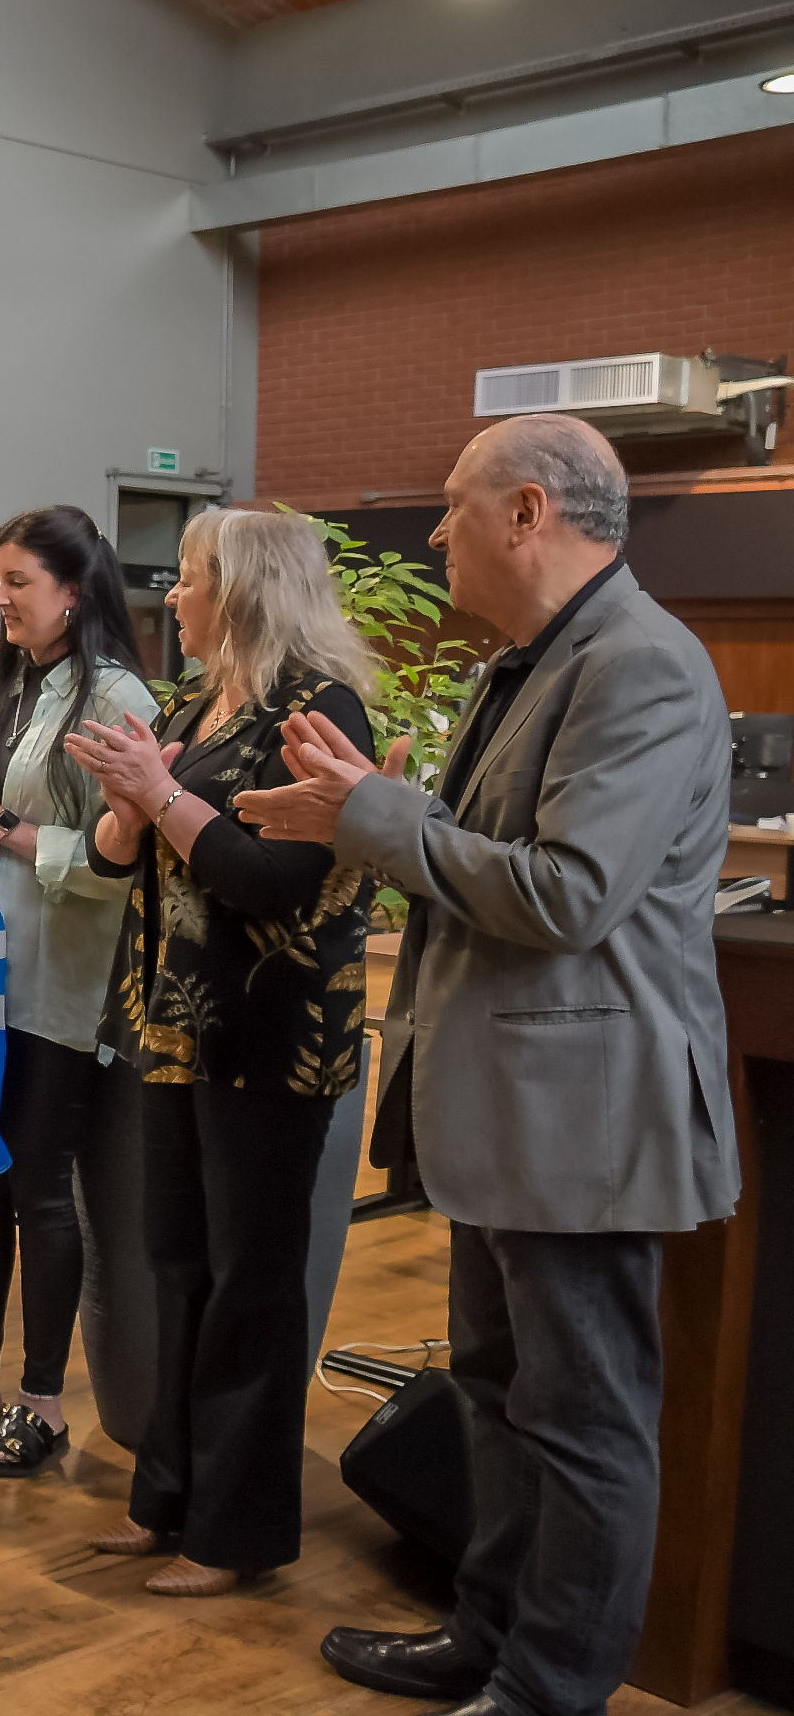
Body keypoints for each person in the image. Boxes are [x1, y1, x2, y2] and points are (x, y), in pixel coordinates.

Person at [235, 417, 736, 1716]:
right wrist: (373, 807)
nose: (436, 533)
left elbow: (567, 897)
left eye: (452, 509)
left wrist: (378, 819)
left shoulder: (642, 668)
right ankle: (487, 1638)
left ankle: (549, 1689)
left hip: (584, 1122)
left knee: (580, 1429)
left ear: (528, 514)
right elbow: (482, 853)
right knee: (498, 1398)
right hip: (511, 1114)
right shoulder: (533, 662)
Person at [63, 506, 379, 1597]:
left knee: (253, 1280)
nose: (173, 595)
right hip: (176, 1023)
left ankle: (235, 1533)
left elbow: (281, 879)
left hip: (270, 1033)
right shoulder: (201, 702)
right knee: (176, 1265)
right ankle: (166, 1501)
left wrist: (165, 797)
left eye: (190, 577)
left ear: (244, 588)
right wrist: (126, 807)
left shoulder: (320, 709)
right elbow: (126, 862)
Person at [0, 506, 158, 1477]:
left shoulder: (117, 697)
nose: (0, 598)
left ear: (73, 592)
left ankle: (43, 1403)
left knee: (42, 1193)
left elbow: (121, 862)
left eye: (17, 581)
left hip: (59, 988)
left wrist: (1, 824)